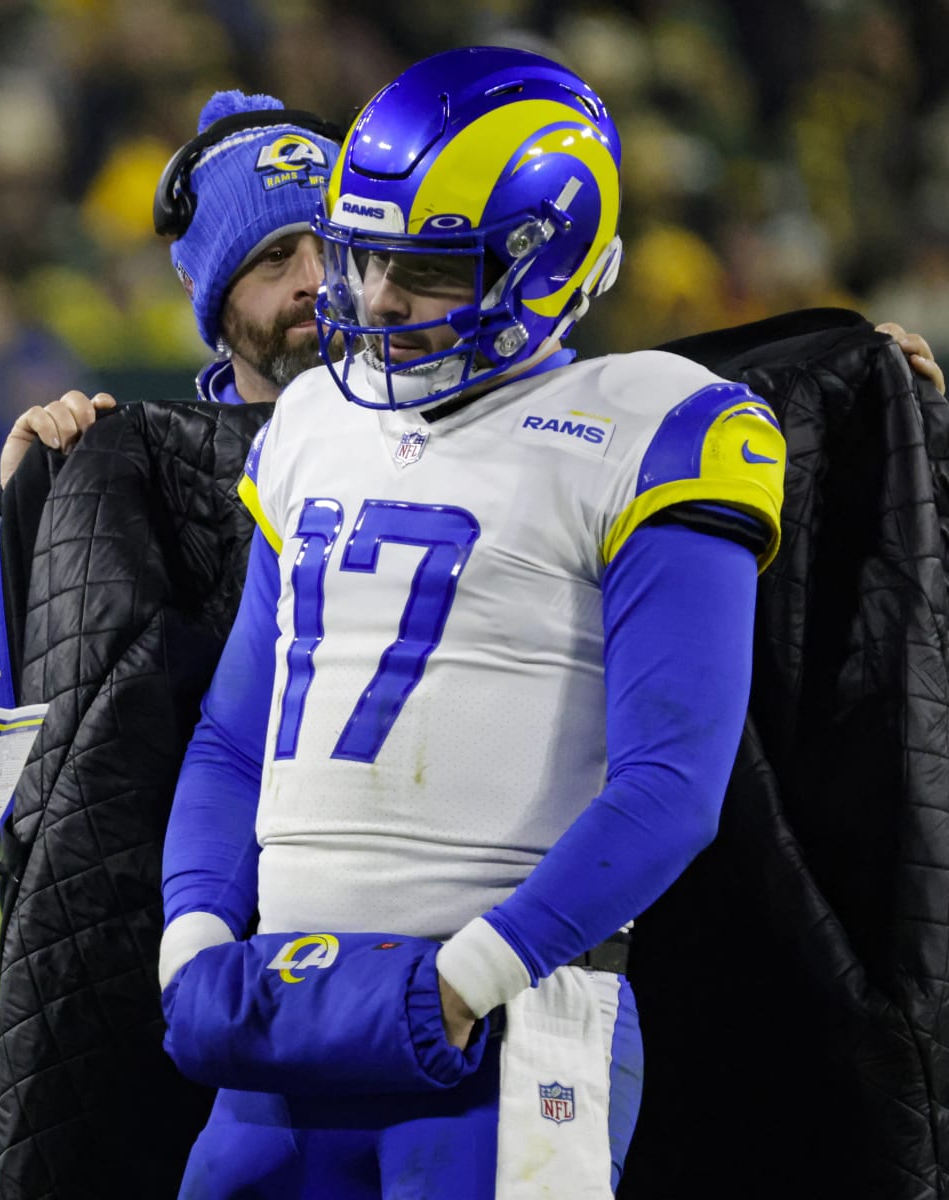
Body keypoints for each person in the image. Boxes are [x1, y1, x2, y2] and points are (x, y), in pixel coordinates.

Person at [153, 45, 796, 1196]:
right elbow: (232, 737)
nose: (381, 298)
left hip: (507, 1021)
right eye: (368, 260)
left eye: (429, 268)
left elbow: (671, 787)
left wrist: (465, 979)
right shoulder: (314, 421)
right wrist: (194, 936)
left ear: (542, 264)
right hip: (283, 1026)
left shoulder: (656, 428)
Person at [0, 90, 344, 791]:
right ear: (202, 286)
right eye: (273, 258)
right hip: (171, 893)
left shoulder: (449, 445)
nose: (315, 281)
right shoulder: (140, 476)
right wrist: (10, 520)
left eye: (338, 248)